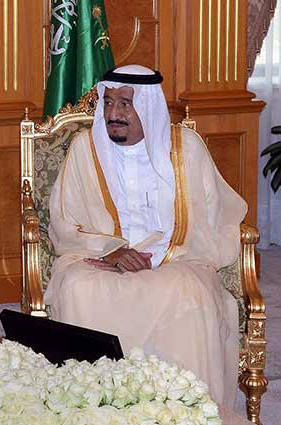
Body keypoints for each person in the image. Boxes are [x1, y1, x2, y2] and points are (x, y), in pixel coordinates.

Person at [45, 64, 246, 405]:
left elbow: (208, 218)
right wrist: (111, 250)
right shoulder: (84, 148)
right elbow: (65, 219)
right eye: (109, 103)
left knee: (190, 294)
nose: (113, 114)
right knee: (80, 289)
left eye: (125, 104)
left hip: (176, 257)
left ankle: (183, 408)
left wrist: (162, 254)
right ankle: (95, 407)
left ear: (148, 107)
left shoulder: (186, 149)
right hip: (100, 255)